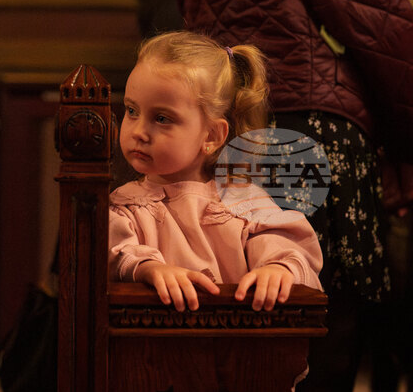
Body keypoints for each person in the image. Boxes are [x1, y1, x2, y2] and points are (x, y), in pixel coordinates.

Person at [173, 0, 413, 392]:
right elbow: (374, 11)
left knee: (259, 360)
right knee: (315, 361)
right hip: (306, 130)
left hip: (241, 133)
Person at [109, 32, 323, 313]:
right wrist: (148, 269)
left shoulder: (244, 204)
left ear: (211, 135)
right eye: (132, 110)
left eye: (161, 118)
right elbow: (112, 252)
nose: (138, 132)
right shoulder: (124, 206)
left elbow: (290, 250)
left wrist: (278, 269)